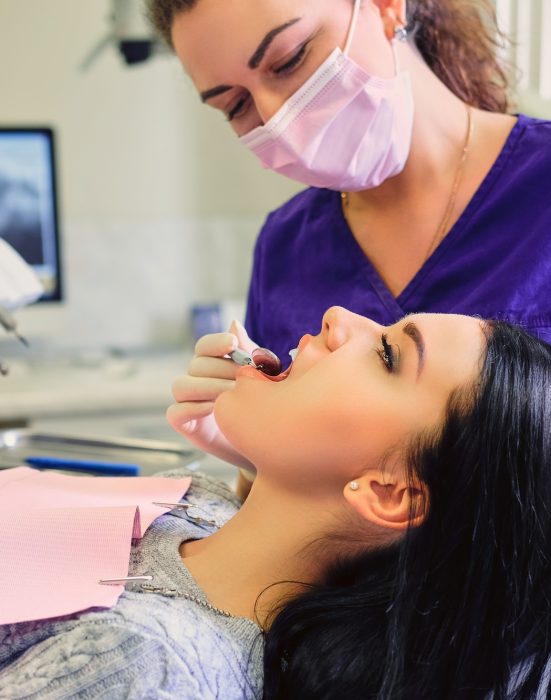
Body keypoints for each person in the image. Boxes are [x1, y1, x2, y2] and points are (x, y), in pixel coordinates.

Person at [1, 307, 551, 699]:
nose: (339, 317)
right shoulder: (201, 506)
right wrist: (256, 456)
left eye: (386, 355)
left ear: (388, 494)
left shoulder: (143, 669)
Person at [146, 0, 551, 474]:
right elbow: (299, 510)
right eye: (235, 105)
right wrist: (254, 457)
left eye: (290, 58)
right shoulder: (285, 246)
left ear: (386, 7)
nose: (273, 115)